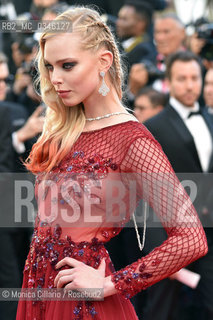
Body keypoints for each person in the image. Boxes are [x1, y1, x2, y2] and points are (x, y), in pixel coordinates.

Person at [16, 7, 208, 320]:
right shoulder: (66, 127)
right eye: (50, 67)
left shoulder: (133, 139)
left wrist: (111, 284)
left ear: (104, 62)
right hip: (39, 290)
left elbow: (191, 240)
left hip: (81, 301)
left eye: (67, 65)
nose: (55, 78)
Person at [144, 51, 213, 320]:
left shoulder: (209, 120)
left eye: (195, 78)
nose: (189, 85)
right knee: (164, 310)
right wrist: (159, 250)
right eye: (182, 78)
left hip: (209, 236)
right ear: (169, 82)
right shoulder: (153, 127)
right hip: (171, 237)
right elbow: (146, 195)